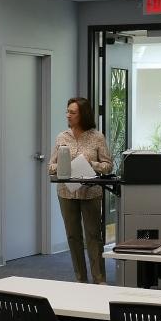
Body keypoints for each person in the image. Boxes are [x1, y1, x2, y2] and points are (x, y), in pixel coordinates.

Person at [48, 97, 115, 284]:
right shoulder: (62, 137)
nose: (68, 115)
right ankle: (80, 280)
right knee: (73, 236)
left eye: (72, 112)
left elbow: (108, 166)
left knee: (93, 236)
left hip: (90, 192)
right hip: (66, 192)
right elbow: (50, 167)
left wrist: (90, 164)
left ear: (83, 114)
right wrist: (64, 165)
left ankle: (99, 279)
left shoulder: (97, 137)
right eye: (67, 111)